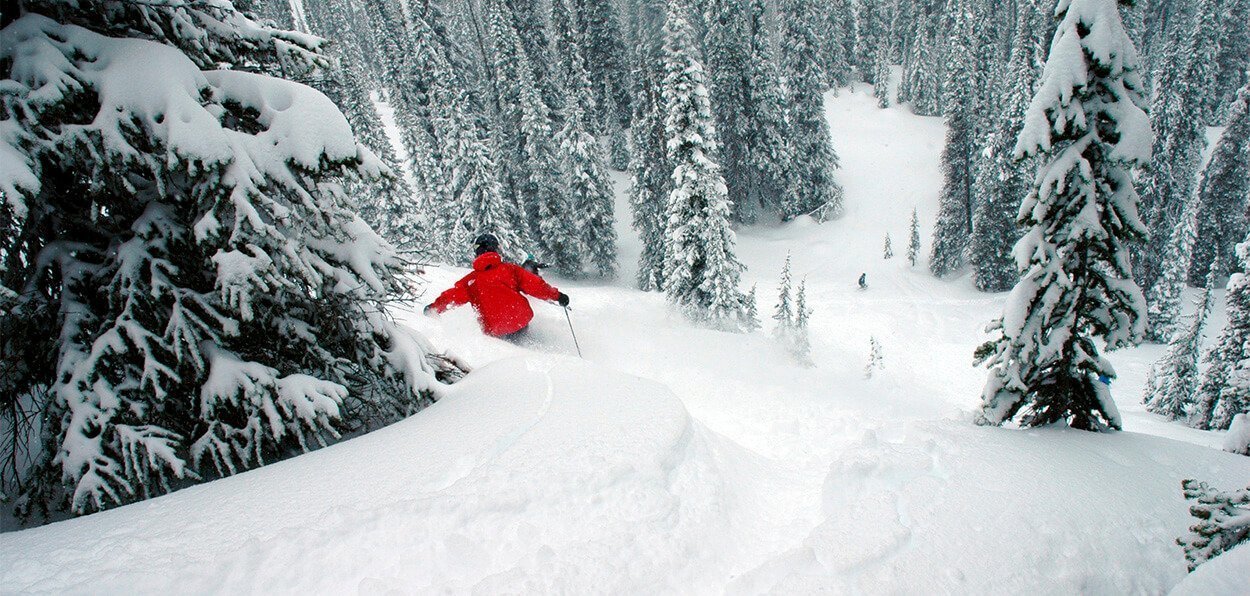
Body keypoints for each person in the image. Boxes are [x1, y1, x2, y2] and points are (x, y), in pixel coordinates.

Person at [425, 233, 569, 341]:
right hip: (520, 322)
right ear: (495, 250)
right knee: (524, 345)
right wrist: (558, 296)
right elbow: (536, 286)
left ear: (479, 251)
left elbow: (451, 297)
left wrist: (433, 308)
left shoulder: (471, 281)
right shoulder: (510, 269)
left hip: (496, 331)